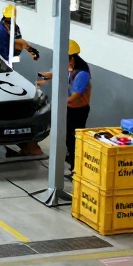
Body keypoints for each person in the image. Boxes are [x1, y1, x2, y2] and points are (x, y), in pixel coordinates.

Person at [37, 40, 91, 174]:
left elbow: (76, 95)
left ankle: (77, 169)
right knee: (67, 137)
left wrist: (61, 102)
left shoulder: (82, 73)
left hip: (78, 110)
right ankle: (71, 159)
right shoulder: (69, 67)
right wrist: (44, 80)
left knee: (74, 139)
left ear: (71, 58)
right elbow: (59, 75)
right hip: (68, 108)